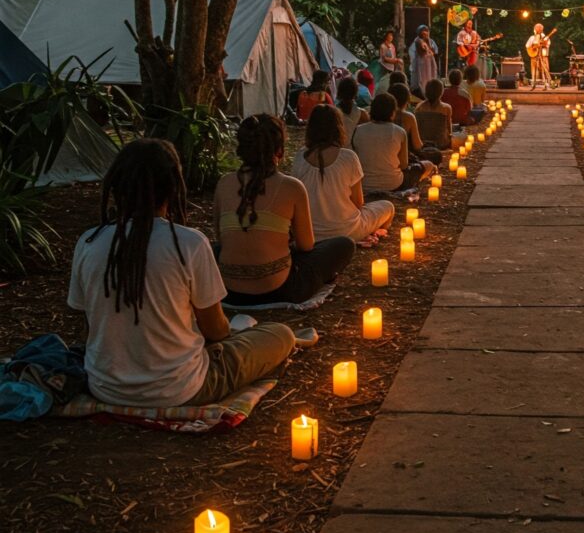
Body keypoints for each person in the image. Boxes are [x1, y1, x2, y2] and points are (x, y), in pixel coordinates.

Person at [68, 139, 295, 408]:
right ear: (173, 188)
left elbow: (88, 326)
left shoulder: (89, 242)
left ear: (117, 187)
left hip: (105, 387)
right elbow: (216, 331)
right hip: (182, 388)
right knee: (281, 334)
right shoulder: (189, 243)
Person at [214, 115, 354, 305]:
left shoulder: (223, 184)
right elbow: (306, 246)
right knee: (343, 245)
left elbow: (222, 239)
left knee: (210, 248)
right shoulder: (292, 187)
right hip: (282, 289)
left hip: (230, 290)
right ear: (279, 150)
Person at [291, 105, 394, 244]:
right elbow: (358, 203)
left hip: (309, 233)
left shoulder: (300, 157)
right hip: (347, 231)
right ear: (338, 127)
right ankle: (370, 233)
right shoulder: (348, 157)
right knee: (388, 206)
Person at [351, 92, 435, 193]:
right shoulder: (399, 132)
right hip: (394, 184)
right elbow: (404, 165)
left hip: (364, 184)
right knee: (429, 165)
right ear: (392, 112)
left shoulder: (358, 130)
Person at [391, 82, 442, 165]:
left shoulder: (384, 115)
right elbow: (417, 146)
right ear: (407, 100)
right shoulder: (408, 117)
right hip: (405, 158)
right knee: (436, 154)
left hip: (388, 157)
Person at [416, 78, 454, 150]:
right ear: (441, 92)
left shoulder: (419, 107)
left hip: (423, 144)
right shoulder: (446, 108)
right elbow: (449, 130)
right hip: (441, 144)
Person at [336, 76, 369, 143]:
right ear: (356, 93)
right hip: (354, 151)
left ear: (339, 91)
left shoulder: (332, 112)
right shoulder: (362, 114)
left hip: (336, 151)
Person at [410, 25, 438, 93]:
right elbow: (422, 52)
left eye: (427, 31)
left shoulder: (429, 40)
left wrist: (428, 41)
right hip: (422, 62)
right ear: (421, 32)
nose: (426, 33)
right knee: (423, 77)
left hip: (429, 61)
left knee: (430, 75)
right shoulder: (418, 41)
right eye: (425, 31)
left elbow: (433, 51)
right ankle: (423, 91)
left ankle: (431, 89)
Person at [525, 22, 554, 89]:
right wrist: (533, 46)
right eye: (535, 28)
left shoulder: (545, 37)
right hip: (534, 56)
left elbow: (548, 44)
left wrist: (543, 44)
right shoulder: (532, 37)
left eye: (536, 28)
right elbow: (527, 45)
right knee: (533, 71)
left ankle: (546, 84)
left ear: (540, 29)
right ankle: (533, 85)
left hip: (542, 56)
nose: (535, 30)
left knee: (544, 70)